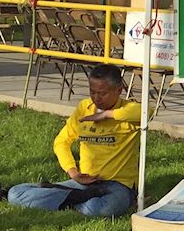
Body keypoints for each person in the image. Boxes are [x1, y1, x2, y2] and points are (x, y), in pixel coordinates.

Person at [7, 64, 140, 216]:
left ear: (119, 90)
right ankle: (77, 199)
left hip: (118, 185)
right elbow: (61, 141)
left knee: (101, 209)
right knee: (15, 193)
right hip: (85, 183)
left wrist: (106, 115)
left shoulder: (128, 111)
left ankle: (65, 199)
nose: (96, 98)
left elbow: (147, 112)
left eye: (102, 93)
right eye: (92, 92)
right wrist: (73, 173)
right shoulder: (85, 107)